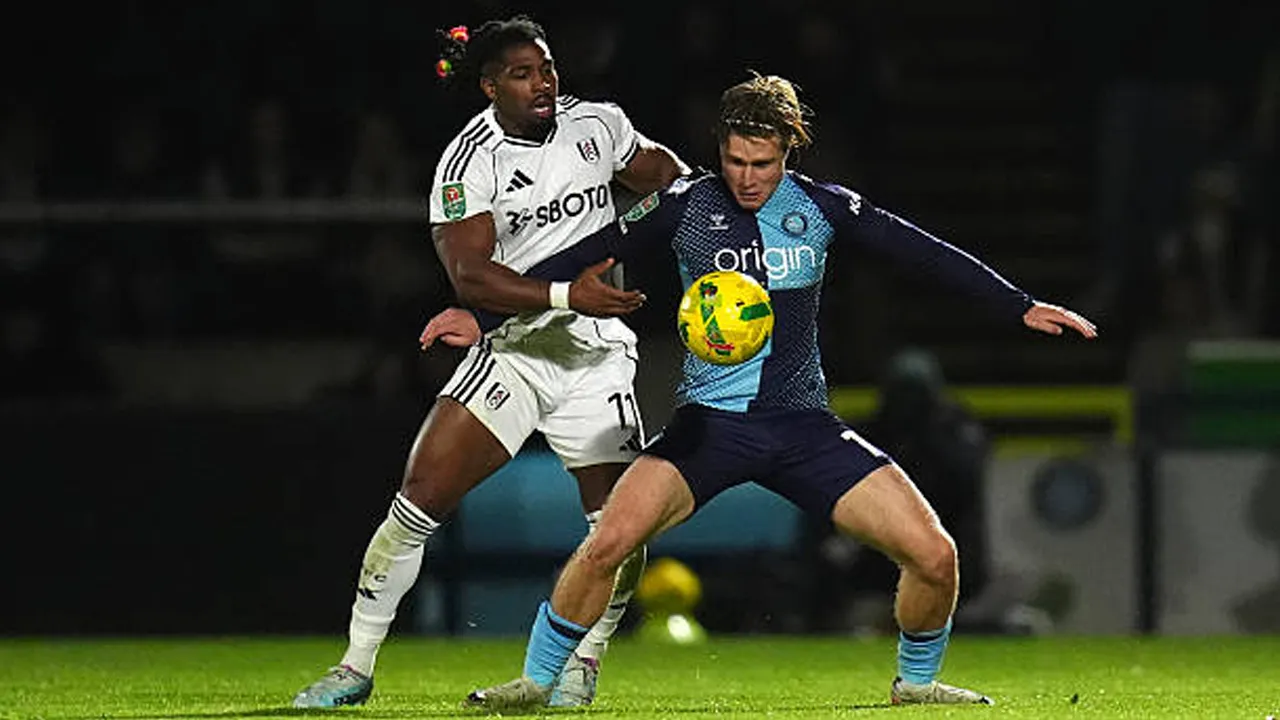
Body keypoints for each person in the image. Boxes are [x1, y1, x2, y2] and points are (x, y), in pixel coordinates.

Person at [461, 73, 1097, 710]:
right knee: (606, 545)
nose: (745, 176)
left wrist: (1017, 305)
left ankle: (916, 684)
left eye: (761, 162)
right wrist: (483, 315)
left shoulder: (822, 208)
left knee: (935, 556)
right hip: (709, 427)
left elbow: (919, 252)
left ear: (790, 149)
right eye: (734, 159)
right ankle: (536, 684)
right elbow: (588, 251)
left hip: (803, 429)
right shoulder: (685, 204)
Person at [292, 16, 687, 708]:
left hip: (598, 362)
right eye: (523, 74)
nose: (543, 84)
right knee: (418, 499)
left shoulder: (596, 125)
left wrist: (680, 216)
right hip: (516, 353)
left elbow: (675, 182)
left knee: (619, 529)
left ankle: (581, 667)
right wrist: (571, 293)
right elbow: (471, 279)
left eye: (548, 68)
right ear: (489, 86)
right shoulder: (467, 162)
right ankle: (354, 667)